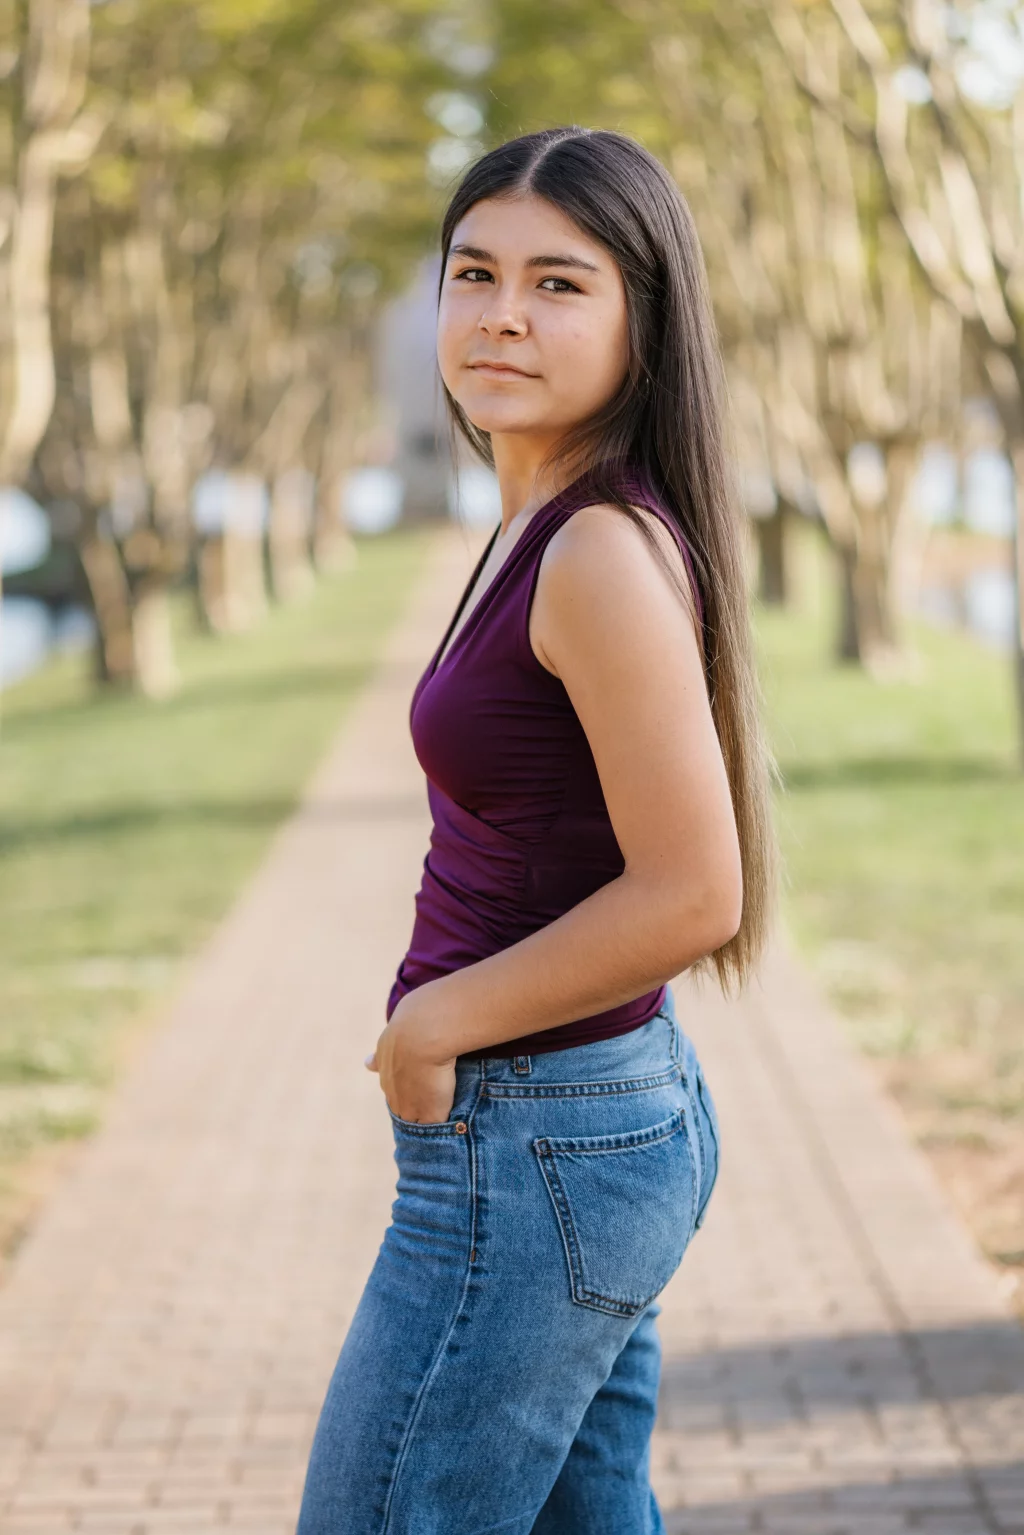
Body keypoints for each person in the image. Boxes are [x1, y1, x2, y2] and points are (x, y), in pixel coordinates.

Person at [296, 126, 776, 1535]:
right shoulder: (540, 520)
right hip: (583, 1127)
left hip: (541, 1139)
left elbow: (697, 890)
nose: (503, 311)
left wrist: (435, 1023)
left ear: (644, 321)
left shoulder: (597, 553)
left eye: (561, 284)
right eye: (475, 272)